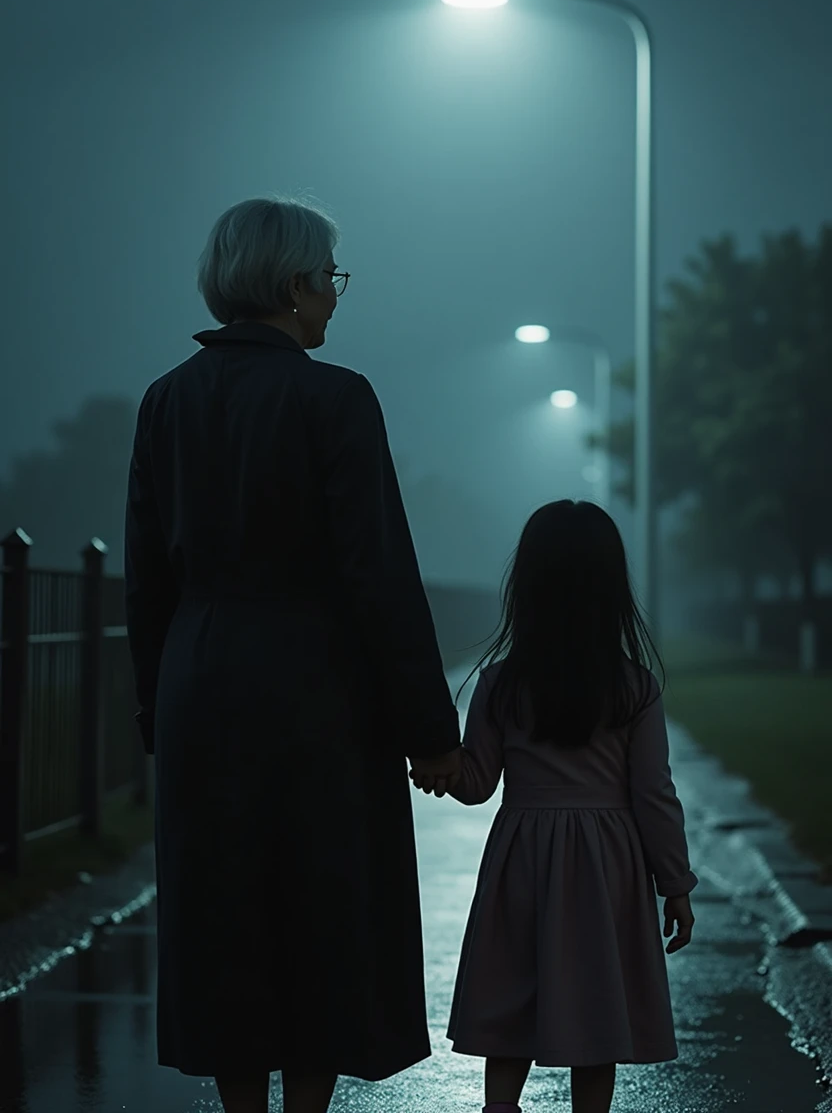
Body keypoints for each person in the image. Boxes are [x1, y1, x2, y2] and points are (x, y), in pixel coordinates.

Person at [124, 195, 463, 1113]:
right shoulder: (335, 398)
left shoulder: (165, 402)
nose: (335, 300)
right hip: (317, 690)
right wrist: (433, 736)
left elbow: (146, 581)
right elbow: (379, 574)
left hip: (202, 682)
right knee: (321, 913)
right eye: (329, 280)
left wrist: (158, 709)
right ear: (293, 284)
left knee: (222, 917)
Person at [411, 500, 698, 1113]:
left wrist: (437, 764)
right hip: (608, 867)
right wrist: (675, 882)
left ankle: (500, 1107)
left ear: (528, 587)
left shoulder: (501, 683)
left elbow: (478, 782)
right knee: (598, 1010)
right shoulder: (635, 687)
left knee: (514, 996)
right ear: (612, 587)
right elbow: (653, 794)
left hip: (523, 858)